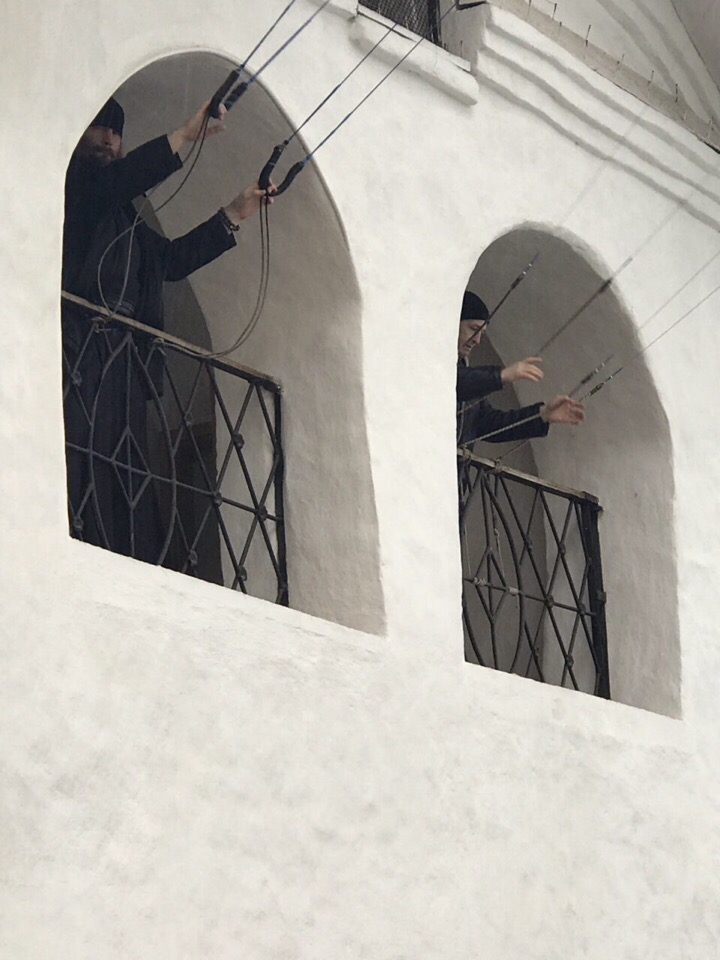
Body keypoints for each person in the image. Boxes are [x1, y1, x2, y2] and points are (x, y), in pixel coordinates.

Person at [62, 96, 271, 562]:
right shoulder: (76, 188)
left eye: (116, 132)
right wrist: (182, 137)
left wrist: (235, 213)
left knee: (123, 465)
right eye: (100, 128)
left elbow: (169, 261)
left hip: (122, 361)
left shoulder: (126, 216)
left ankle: (120, 551)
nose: (109, 140)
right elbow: (114, 184)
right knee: (81, 450)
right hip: (79, 351)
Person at [456, 291, 584, 447]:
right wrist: (501, 375)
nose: (477, 340)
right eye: (473, 329)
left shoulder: (468, 377)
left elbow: (489, 424)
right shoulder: (434, 368)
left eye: (481, 333)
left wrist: (542, 414)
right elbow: (453, 384)